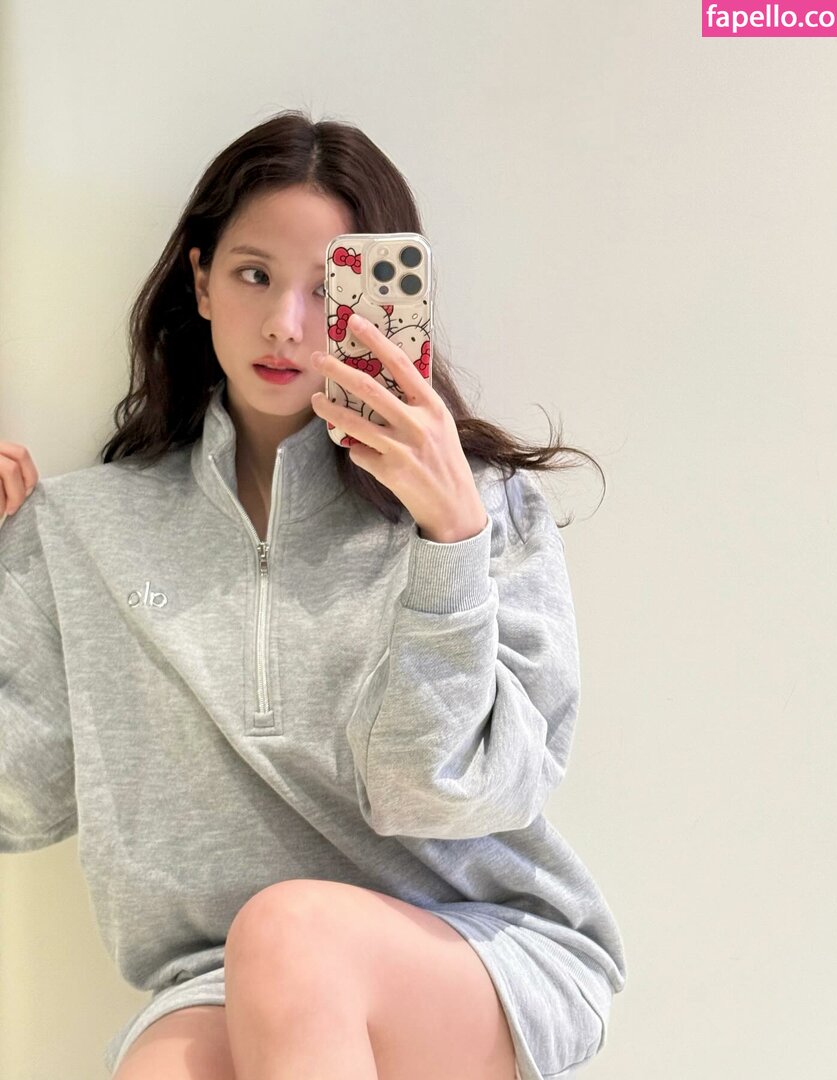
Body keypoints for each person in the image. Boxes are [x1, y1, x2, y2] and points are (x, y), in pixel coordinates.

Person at [0, 109, 626, 1080]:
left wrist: (448, 544)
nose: (287, 324)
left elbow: (449, 794)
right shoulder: (86, 530)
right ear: (200, 281)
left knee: (288, 937)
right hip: (214, 976)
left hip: (476, 948)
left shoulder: (483, 507)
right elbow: (19, 801)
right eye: (254, 275)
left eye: (329, 288)